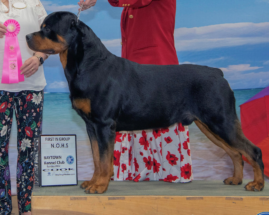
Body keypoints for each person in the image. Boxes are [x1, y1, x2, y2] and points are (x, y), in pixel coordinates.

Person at [78, 0, 193, 183]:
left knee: (161, 123)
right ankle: (139, 174)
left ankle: (168, 176)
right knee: (131, 122)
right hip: (135, 72)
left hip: (156, 70)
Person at [0, 0, 48, 214]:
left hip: (32, 88)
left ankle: (25, 207)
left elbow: (50, 39)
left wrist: (39, 57)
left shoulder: (32, 2)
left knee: (28, 150)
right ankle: (3, 208)